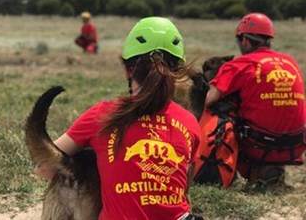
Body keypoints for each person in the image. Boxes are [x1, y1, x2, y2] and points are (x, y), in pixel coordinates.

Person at [36, 17, 202, 220]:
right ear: (177, 72)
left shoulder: (102, 114)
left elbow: (44, 167)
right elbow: (183, 188)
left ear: (127, 69)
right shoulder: (190, 122)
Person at [205, 12, 305, 189]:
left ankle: (218, 169)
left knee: (217, 109)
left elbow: (208, 100)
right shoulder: (290, 62)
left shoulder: (239, 65)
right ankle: (270, 172)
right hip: (295, 146)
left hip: (260, 146)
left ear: (244, 40)